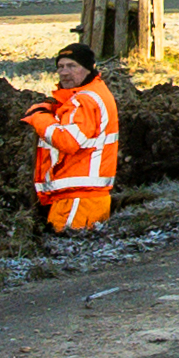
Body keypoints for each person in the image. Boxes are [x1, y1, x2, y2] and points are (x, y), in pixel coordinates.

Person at [27, 41, 122, 236]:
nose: (64, 72)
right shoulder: (92, 94)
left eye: (72, 66)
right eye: (60, 67)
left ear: (88, 68)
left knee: (68, 251)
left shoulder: (84, 100)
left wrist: (39, 117)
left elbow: (68, 141)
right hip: (83, 197)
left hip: (78, 199)